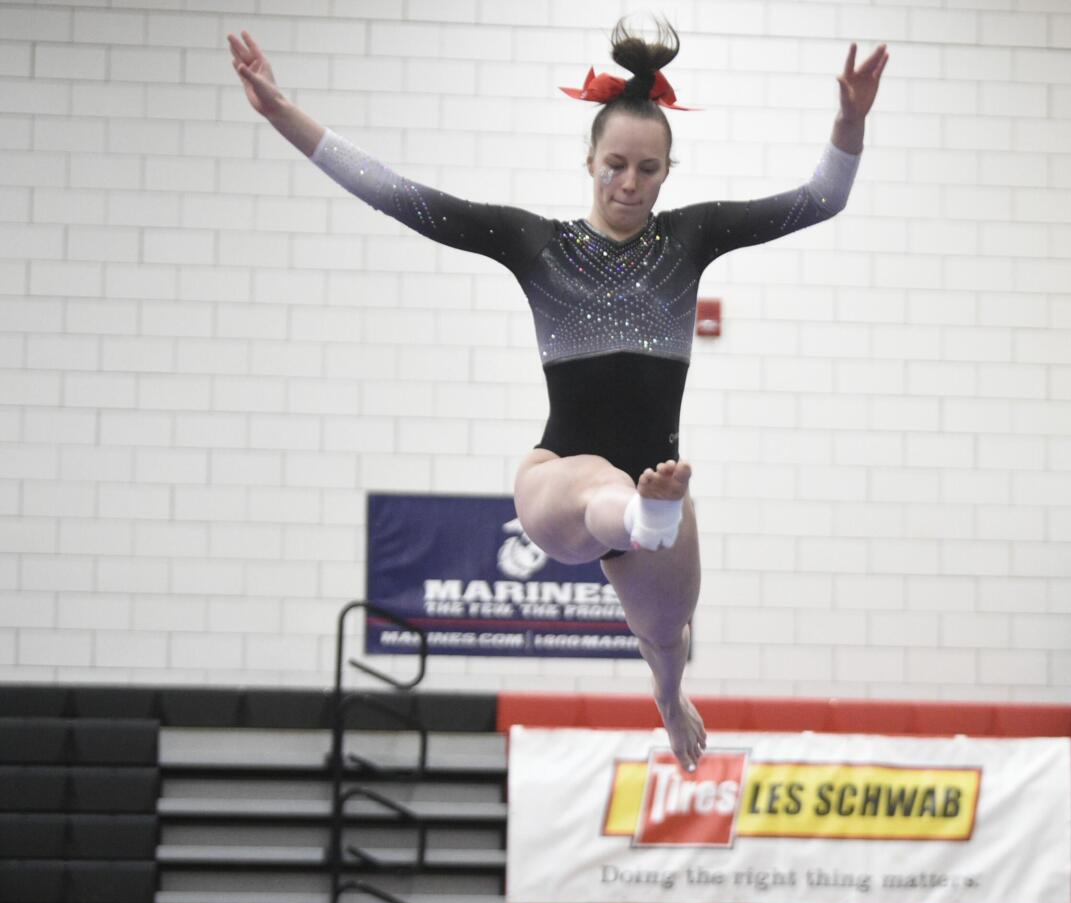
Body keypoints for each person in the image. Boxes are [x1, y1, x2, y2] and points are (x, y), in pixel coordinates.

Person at [228, 20, 887, 769]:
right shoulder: (537, 244)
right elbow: (400, 197)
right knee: (609, 489)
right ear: (589, 162)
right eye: (615, 166)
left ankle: (668, 697)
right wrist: (283, 112)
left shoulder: (692, 239)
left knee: (670, 636)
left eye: (647, 168)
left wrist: (848, 124)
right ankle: (644, 512)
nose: (629, 183)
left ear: (669, 171)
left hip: (653, 501)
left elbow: (822, 200)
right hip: (560, 482)